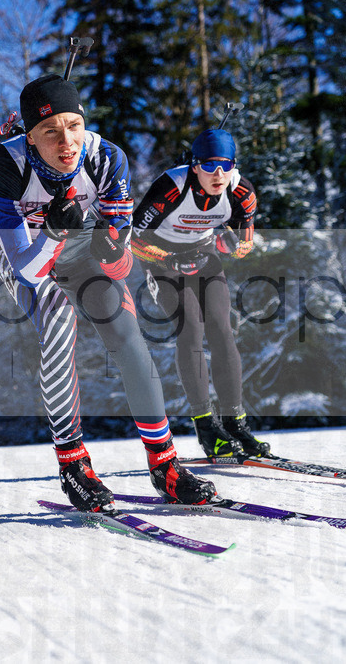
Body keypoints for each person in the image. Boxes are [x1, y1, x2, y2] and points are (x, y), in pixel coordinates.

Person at [0, 74, 218, 512]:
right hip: (27, 257)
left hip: (81, 249)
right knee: (57, 319)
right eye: (49, 131)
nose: (65, 141)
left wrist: (111, 249)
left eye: (73, 125)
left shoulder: (107, 159)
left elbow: (122, 263)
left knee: (127, 333)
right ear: (29, 137)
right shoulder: (3, 168)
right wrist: (51, 231)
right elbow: (28, 272)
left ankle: (164, 464)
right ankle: (73, 465)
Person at [130, 128, 271, 460]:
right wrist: (169, 258)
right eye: (210, 166)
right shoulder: (171, 188)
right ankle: (206, 426)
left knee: (223, 330)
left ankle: (235, 424)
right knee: (190, 327)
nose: (218, 175)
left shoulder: (242, 192)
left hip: (204, 256)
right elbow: (135, 241)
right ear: (195, 166)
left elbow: (245, 242)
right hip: (162, 261)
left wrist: (233, 246)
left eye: (226, 165)